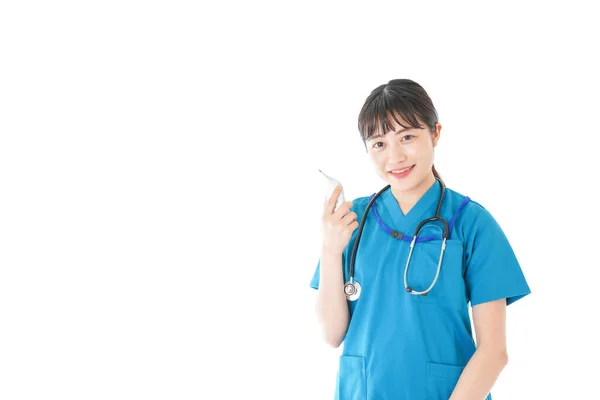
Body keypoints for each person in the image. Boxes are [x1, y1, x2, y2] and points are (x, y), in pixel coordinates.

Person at [310, 79, 531, 400]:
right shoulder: (350, 222)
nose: (395, 156)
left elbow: (494, 352)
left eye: (408, 137)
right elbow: (332, 335)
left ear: (436, 133)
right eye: (379, 144)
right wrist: (330, 252)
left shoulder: (472, 223)